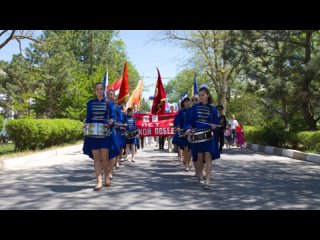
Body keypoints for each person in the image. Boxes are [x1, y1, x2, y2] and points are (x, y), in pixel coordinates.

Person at [82, 82, 119, 191]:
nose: (99, 90)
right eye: (97, 89)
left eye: (101, 89)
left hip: (105, 134)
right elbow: (89, 118)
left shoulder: (109, 103)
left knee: (104, 158)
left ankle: (107, 176)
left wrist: (111, 121)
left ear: (104, 90)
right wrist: (85, 124)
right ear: (95, 91)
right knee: (96, 159)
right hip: (93, 134)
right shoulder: (90, 103)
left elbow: (112, 117)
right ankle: (98, 181)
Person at [186, 85, 220, 190]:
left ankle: (208, 179)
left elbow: (216, 123)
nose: (201, 97)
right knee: (200, 158)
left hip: (209, 136)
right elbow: (190, 122)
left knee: (208, 156)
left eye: (203, 95)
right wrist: (188, 128)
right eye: (199, 95)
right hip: (197, 137)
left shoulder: (213, 109)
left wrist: (214, 126)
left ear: (207, 95)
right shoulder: (195, 108)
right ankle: (199, 172)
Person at [176, 97, 192, 171]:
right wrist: (178, 127)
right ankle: (187, 165)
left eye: (188, 101)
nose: (187, 103)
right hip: (183, 132)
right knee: (185, 148)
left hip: (191, 131)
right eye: (186, 101)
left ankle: (189, 161)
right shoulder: (181, 112)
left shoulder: (192, 111)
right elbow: (177, 121)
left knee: (190, 149)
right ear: (183, 103)